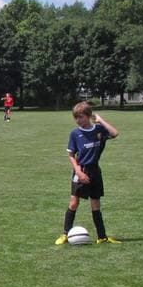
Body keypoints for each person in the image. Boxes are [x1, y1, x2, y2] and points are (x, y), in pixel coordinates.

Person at [55, 102, 121, 245]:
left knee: (96, 204)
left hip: (95, 171)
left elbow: (115, 133)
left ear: (89, 116)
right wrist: (78, 171)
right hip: (81, 170)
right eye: (76, 118)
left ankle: (102, 237)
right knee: (74, 203)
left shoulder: (99, 130)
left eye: (82, 117)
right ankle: (66, 234)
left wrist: (100, 120)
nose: (79, 120)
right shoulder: (75, 134)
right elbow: (71, 155)